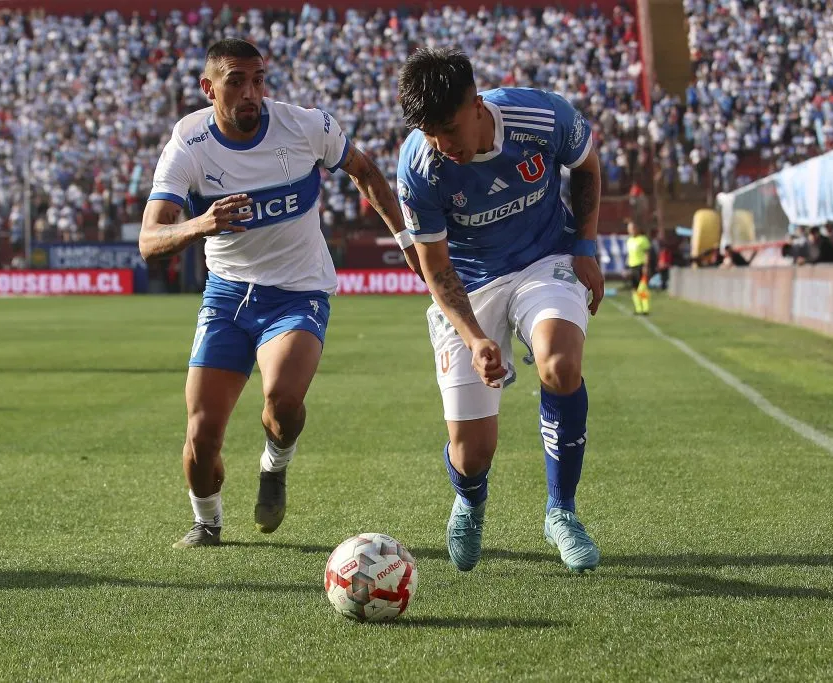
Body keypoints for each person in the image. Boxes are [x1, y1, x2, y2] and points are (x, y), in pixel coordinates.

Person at [139, 39, 418, 549]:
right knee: (201, 438)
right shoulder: (188, 144)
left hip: (298, 291)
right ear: (208, 88)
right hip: (226, 297)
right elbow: (149, 240)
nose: (251, 93)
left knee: (283, 402)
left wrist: (404, 239)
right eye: (236, 82)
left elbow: (365, 170)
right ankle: (207, 522)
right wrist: (201, 224)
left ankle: (275, 465)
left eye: (258, 80)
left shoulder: (304, 125)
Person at [396, 48, 604, 573]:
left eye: (448, 128)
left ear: (477, 103)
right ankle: (469, 499)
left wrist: (586, 245)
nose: (442, 145)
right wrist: (473, 338)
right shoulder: (419, 165)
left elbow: (586, 167)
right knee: (473, 453)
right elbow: (436, 269)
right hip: (469, 285)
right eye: (429, 132)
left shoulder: (541, 116)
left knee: (560, 365)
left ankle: (562, 512)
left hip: (545, 259)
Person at [625, 221, 651, 314]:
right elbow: (629, 255)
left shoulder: (643, 239)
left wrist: (646, 266)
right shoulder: (629, 241)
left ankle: (645, 308)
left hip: (640, 266)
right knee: (634, 289)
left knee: (642, 289)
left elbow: (647, 254)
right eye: (629, 229)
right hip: (632, 267)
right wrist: (626, 268)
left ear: (636, 229)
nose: (630, 231)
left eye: (632, 228)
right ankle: (638, 309)